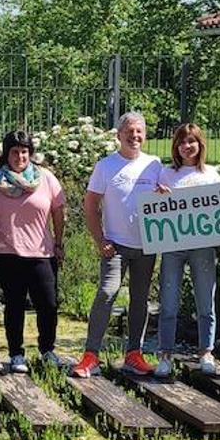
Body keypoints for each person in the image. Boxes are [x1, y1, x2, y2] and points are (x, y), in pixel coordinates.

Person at [71, 112, 163, 378]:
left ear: (145, 135)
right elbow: (90, 205)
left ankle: (134, 354)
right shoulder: (106, 166)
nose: (135, 136)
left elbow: (170, 200)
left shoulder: (155, 164)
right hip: (116, 246)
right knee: (107, 293)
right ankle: (90, 356)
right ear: (119, 135)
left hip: (146, 245)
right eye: (129, 131)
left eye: (139, 132)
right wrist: (100, 240)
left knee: (140, 299)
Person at [0, 131, 68, 374]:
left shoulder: (45, 178)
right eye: (15, 152)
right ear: (7, 154)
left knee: (48, 303)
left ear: (30, 154)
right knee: (14, 304)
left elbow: (58, 210)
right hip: (6, 252)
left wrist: (59, 242)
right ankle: (16, 353)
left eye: (24, 151)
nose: (20, 156)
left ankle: (47, 350)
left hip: (41, 251)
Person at [153, 123, 220, 377]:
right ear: (176, 147)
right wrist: (158, 196)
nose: (186, 146)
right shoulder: (166, 174)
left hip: (202, 246)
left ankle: (206, 352)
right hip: (173, 246)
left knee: (205, 300)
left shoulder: (211, 174)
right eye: (181, 142)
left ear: (200, 144)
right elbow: (155, 208)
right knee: (168, 302)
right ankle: (165, 354)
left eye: (191, 141)